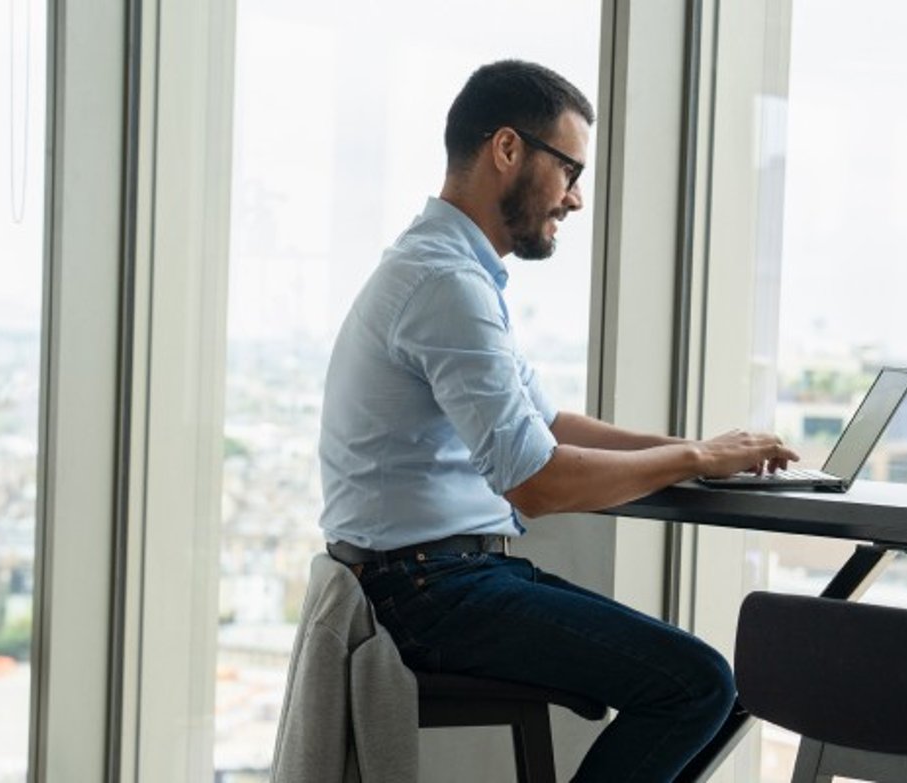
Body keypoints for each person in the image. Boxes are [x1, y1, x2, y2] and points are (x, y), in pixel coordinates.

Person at [318, 59, 798, 782]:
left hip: (444, 577)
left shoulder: (451, 269)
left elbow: (549, 423)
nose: (576, 199)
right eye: (570, 169)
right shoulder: (446, 283)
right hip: (425, 593)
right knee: (697, 685)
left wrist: (703, 448)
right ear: (507, 149)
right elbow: (534, 480)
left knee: (712, 689)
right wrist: (695, 458)